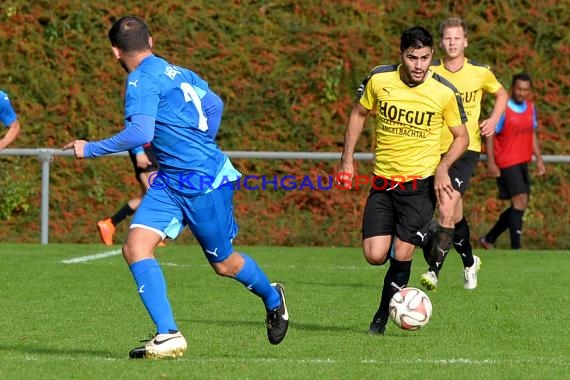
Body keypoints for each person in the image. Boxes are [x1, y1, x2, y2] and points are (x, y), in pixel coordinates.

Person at [64, 16, 288, 359]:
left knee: (224, 264)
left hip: (203, 181)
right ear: (150, 41)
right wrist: (196, 141)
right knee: (135, 247)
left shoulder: (140, 81)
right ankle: (168, 333)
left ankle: (273, 298)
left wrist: (88, 148)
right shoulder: (179, 72)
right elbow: (215, 105)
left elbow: (140, 135)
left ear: (114, 52)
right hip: (171, 180)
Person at [337, 26, 468, 335]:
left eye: (424, 57)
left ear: (432, 55)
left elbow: (461, 137)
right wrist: (347, 159)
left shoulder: (444, 91)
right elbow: (358, 114)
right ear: (401, 55)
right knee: (374, 255)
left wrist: (443, 166)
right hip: (383, 185)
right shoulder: (380, 79)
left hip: (419, 188)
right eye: (412, 57)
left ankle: (381, 318)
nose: (418, 65)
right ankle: (430, 233)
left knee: (400, 254)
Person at [418, 18, 509, 291]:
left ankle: (433, 271)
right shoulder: (431, 72)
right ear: (441, 43)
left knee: (444, 207)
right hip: (436, 150)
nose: (452, 42)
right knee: (455, 215)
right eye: (447, 38)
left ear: (465, 41)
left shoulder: (480, 72)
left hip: (466, 149)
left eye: (457, 38)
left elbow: (502, 94)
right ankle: (470, 262)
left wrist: (493, 119)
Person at [479, 72, 545, 250]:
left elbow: (532, 135)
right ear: (513, 88)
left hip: (523, 161)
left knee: (521, 203)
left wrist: (539, 159)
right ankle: (516, 248)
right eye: (518, 88)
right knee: (520, 201)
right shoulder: (504, 108)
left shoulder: (531, 108)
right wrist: (491, 162)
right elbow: (490, 134)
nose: (521, 93)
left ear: (529, 90)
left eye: (525, 90)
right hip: (506, 161)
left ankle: (489, 238)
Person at [96, 143, 159, 246]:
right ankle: (149, 234)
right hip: (145, 149)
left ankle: (110, 223)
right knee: (155, 194)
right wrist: (139, 151)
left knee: (147, 195)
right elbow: (133, 127)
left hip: (151, 149)